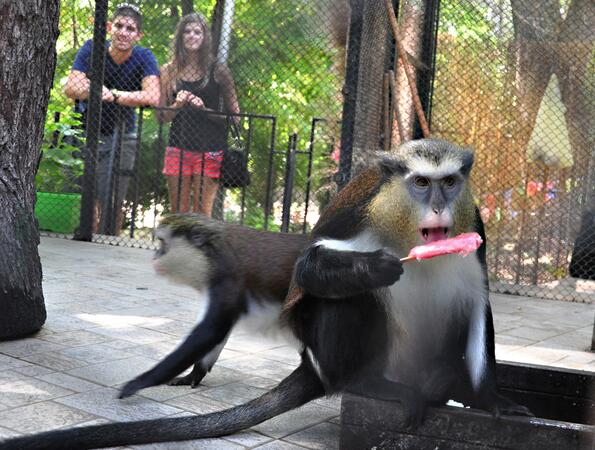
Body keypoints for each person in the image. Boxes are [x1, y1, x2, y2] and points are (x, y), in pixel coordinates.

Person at [64, 3, 160, 235]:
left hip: (123, 131)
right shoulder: (92, 48)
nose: (123, 32)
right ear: (109, 27)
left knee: (114, 196)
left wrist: (115, 96)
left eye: (130, 28)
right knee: (89, 191)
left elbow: (153, 96)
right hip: (88, 130)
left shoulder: (144, 57)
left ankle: (109, 240)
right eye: (119, 25)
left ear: (138, 35)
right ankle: (88, 235)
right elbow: (71, 87)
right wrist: (98, 90)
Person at [159, 13, 240, 216]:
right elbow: (161, 117)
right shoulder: (168, 71)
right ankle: (178, 248)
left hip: (210, 149)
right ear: (180, 37)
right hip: (178, 146)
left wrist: (204, 110)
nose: (192, 35)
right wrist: (177, 105)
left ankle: (200, 249)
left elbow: (236, 118)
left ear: (205, 37)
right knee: (179, 211)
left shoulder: (218, 70)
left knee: (202, 213)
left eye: (197, 31)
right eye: (187, 31)